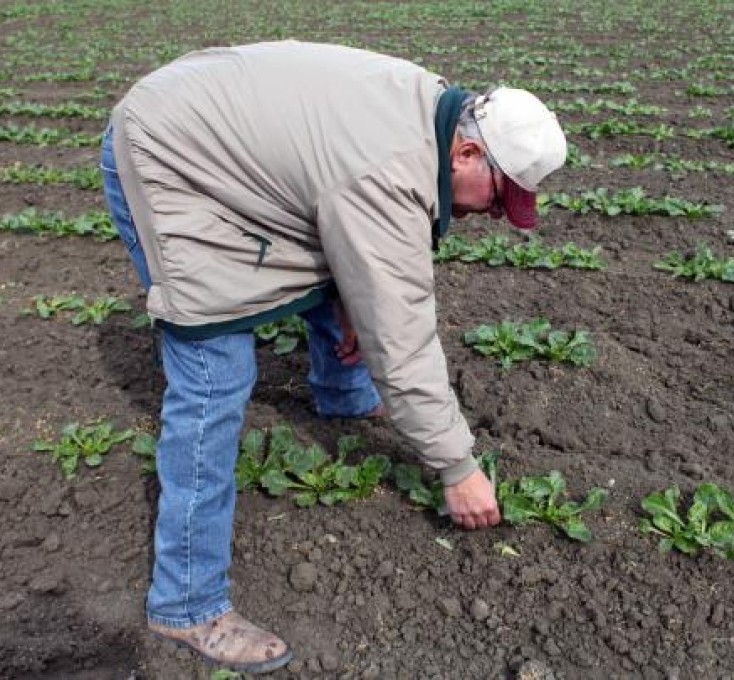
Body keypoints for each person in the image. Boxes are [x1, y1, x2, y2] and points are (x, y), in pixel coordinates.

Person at [100, 40, 567, 674]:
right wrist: (458, 468)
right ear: (465, 152)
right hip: (169, 154)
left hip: (220, 126)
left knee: (341, 275)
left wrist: (352, 296)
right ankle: (187, 604)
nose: (490, 214)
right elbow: (400, 337)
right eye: (497, 195)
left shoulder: (433, 109)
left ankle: (344, 403)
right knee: (215, 367)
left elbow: (334, 207)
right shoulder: (384, 170)